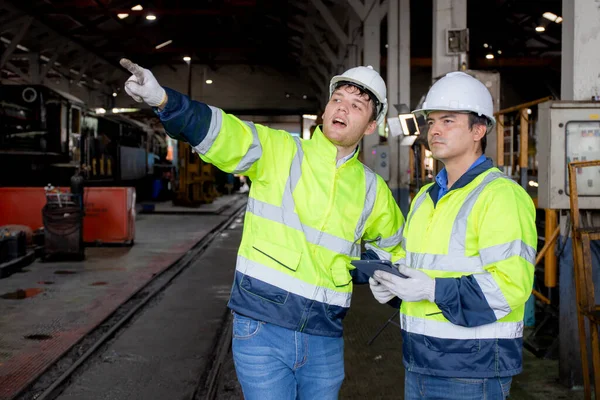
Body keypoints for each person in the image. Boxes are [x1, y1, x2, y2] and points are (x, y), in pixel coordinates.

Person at [120, 59, 405, 399]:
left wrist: (367, 270)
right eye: (337, 99)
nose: (342, 108)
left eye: (356, 105)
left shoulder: (373, 190)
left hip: (325, 335)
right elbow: (222, 131)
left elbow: (394, 246)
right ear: (326, 108)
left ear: (371, 125)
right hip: (263, 329)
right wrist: (165, 100)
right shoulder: (279, 150)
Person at [368, 71, 537, 400]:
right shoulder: (426, 197)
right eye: (431, 122)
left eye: (448, 120)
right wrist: (393, 286)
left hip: (473, 368)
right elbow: (419, 265)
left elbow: (510, 286)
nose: (435, 130)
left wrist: (431, 289)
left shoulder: (500, 196)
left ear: (479, 129)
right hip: (420, 359)